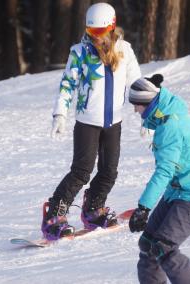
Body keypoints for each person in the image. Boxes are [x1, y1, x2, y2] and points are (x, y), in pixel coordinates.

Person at [41, 2, 142, 241]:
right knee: (81, 172)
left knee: (109, 171)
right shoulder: (80, 52)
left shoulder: (124, 50)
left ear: (111, 27)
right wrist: (60, 113)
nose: (95, 37)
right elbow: (68, 84)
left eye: (99, 32)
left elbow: (136, 84)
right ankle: (54, 214)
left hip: (113, 123)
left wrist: (148, 116)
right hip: (87, 123)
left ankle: (94, 207)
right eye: (91, 32)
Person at [127, 74, 190, 284]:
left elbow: (164, 171)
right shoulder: (164, 116)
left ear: (147, 103)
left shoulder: (170, 125)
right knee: (149, 244)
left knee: (163, 248)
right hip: (177, 192)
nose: (135, 110)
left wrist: (144, 207)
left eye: (136, 105)